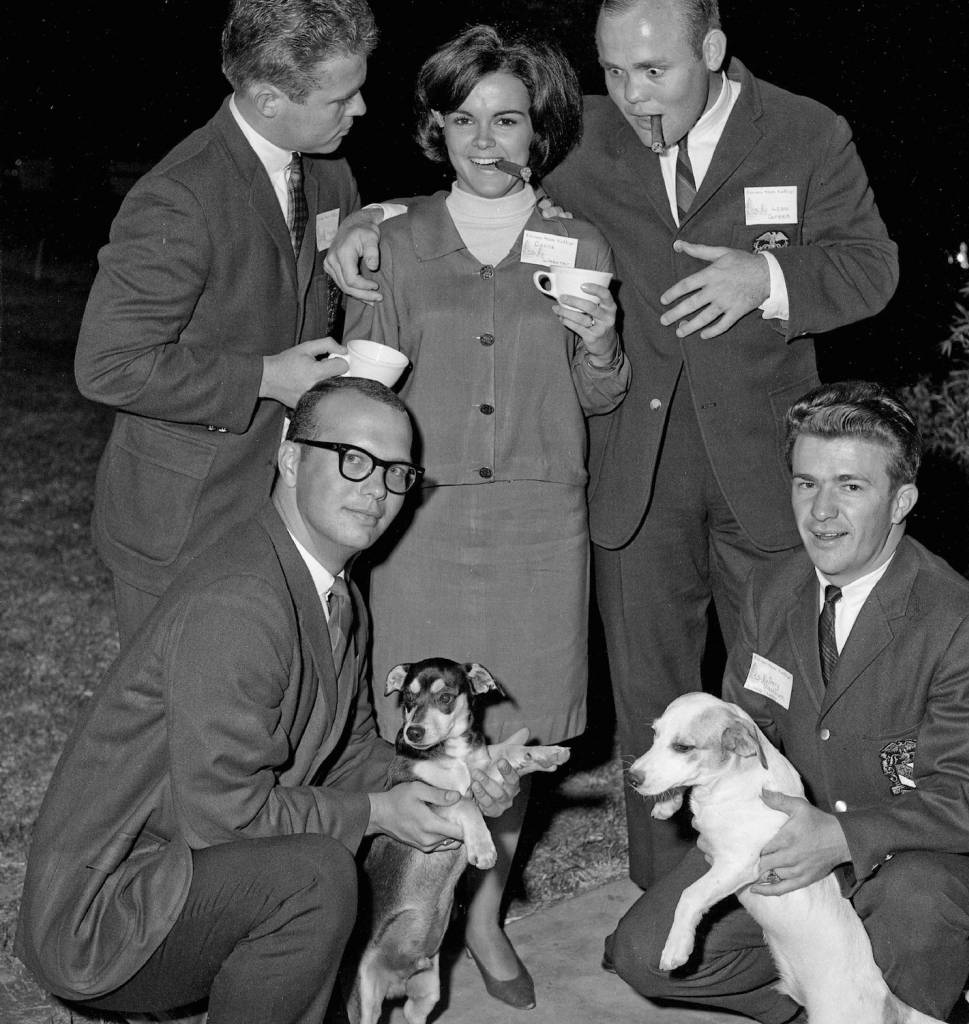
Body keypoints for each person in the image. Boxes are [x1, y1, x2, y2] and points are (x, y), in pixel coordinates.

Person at [326, 0, 899, 889]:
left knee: (778, 692)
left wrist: (768, 276)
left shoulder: (804, 129)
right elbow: (479, 173)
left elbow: (872, 264)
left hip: (763, 469)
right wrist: (370, 214)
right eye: (614, 71)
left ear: (710, 50)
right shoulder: (583, 129)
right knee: (648, 700)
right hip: (632, 470)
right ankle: (661, 889)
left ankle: (787, 882)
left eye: (654, 71)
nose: (630, 96)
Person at [16, 377, 521, 1024]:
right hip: (109, 911)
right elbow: (225, 818)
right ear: (289, 457)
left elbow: (348, 751)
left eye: (396, 472)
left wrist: (447, 781)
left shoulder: (336, 594)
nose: (375, 488)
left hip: (188, 870)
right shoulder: (239, 603)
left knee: (351, 851)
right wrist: (376, 811)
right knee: (317, 878)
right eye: (353, 459)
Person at [340, 24, 630, 1009]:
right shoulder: (397, 241)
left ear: (539, 130)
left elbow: (600, 397)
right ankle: (411, 914)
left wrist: (600, 346)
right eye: (462, 118)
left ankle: (484, 912)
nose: (484, 137)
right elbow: (363, 391)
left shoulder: (578, 242)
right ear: (435, 128)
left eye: (506, 118)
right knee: (422, 738)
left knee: (514, 740)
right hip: (422, 530)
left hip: (540, 531)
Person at [605, 381, 969, 1023]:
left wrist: (839, 836)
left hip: (927, 857)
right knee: (640, 953)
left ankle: (928, 1009)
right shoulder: (771, 590)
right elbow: (744, 729)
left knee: (912, 907)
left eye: (850, 486)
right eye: (806, 484)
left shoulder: (962, 624)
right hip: (793, 838)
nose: (822, 511)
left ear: (900, 501)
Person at [74, 0, 379, 642]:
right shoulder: (180, 196)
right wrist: (268, 376)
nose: (359, 111)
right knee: (180, 718)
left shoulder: (328, 169)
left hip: (289, 508)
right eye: (341, 98)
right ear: (269, 99)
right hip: (186, 522)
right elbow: (109, 366)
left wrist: (370, 221)